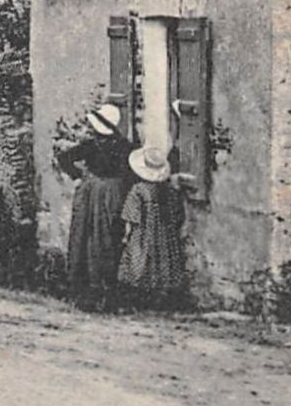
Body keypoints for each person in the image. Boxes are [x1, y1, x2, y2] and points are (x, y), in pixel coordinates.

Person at [55, 102, 133, 310]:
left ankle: (84, 284)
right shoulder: (126, 147)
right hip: (114, 194)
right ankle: (104, 286)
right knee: (108, 236)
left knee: (84, 234)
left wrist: (79, 176)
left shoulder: (91, 145)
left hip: (91, 192)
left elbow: (63, 158)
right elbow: (133, 173)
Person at [118, 146, 191, 308]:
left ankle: (140, 294)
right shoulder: (169, 191)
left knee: (140, 259)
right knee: (163, 259)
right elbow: (177, 215)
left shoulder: (138, 190)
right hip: (165, 233)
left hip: (143, 233)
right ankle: (161, 294)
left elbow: (131, 217)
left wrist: (126, 235)